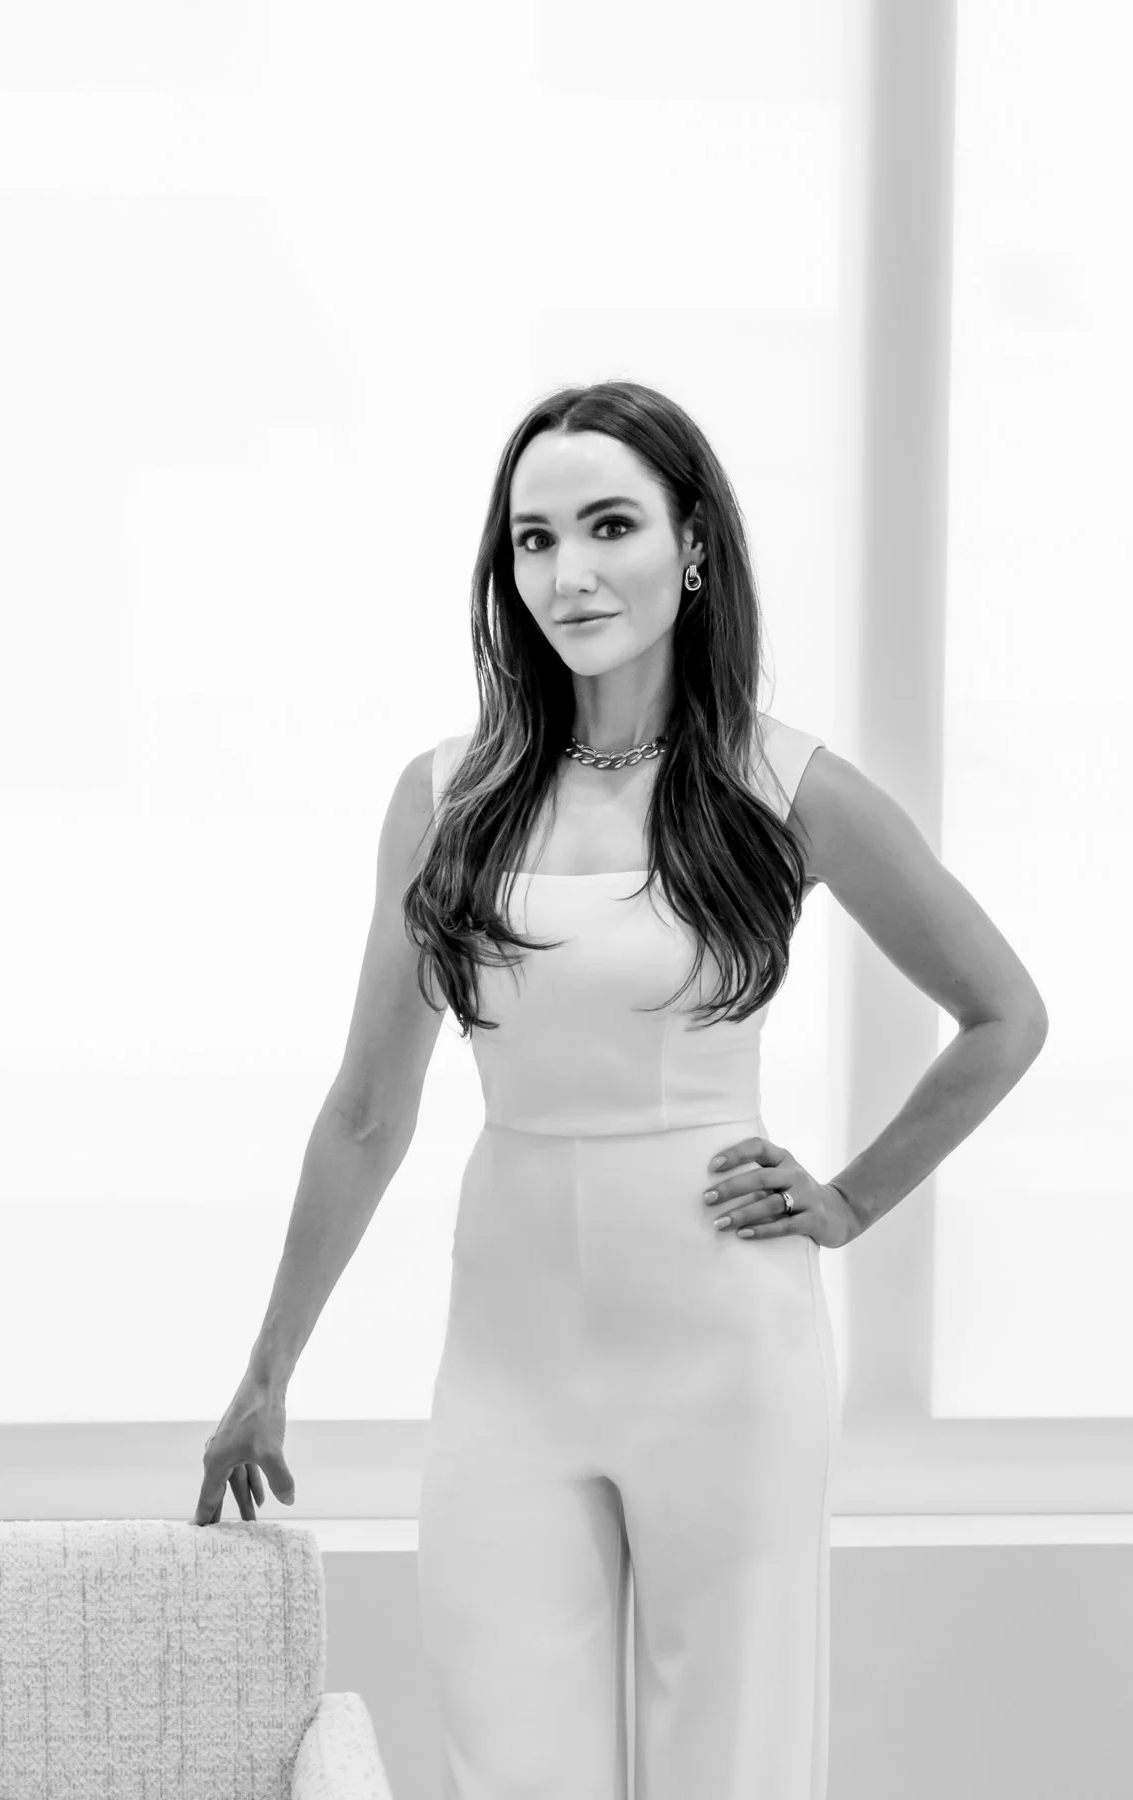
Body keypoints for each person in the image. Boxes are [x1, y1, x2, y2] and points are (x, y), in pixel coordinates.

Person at [194, 379, 1048, 1798]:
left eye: (609, 526)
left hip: (730, 1350)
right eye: (534, 540)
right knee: (510, 1765)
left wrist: (850, 1200)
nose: (569, 573)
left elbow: (1002, 1014)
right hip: (508, 1362)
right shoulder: (448, 792)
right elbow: (366, 1109)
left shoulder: (786, 785)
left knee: (733, 1767)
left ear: (694, 544)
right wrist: (264, 1375)